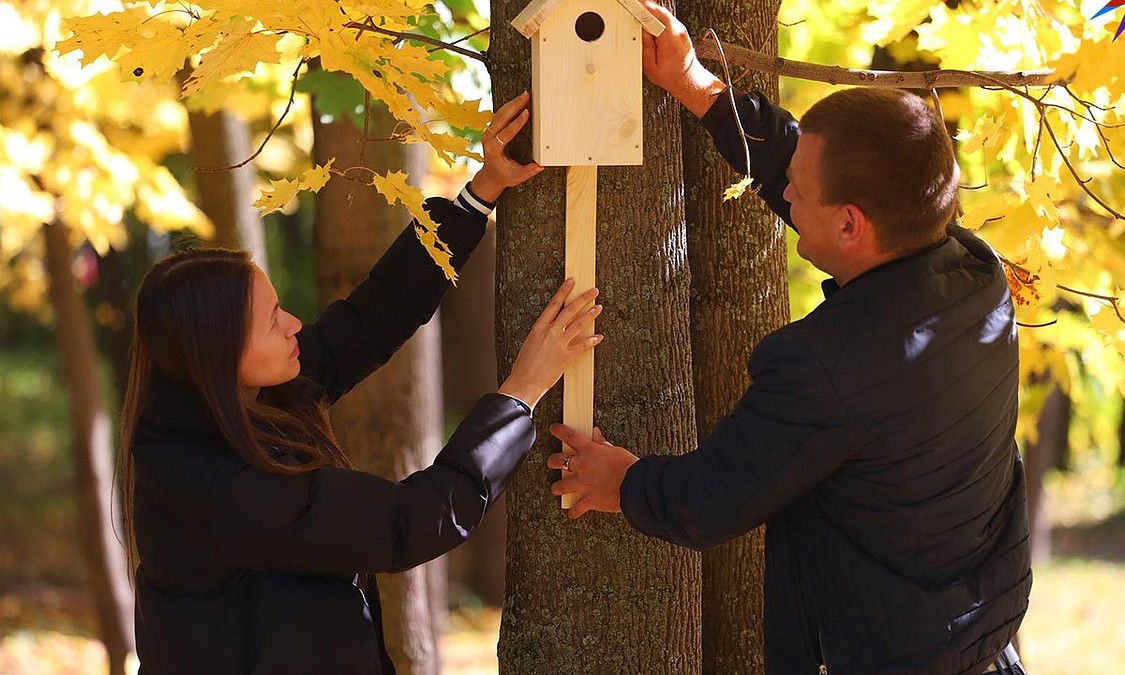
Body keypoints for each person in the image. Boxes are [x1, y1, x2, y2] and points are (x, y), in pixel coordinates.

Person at [546, 4, 1032, 674]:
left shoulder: (824, 367)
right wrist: (695, 84)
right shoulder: (975, 274)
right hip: (981, 643)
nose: (784, 198)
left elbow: (711, 497)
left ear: (852, 225)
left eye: (798, 196)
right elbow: (800, 163)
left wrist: (621, 481)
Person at [121, 92, 603, 675]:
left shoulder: (231, 404)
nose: (294, 324)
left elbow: (368, 321)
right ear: (219, 356)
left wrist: (480, 193)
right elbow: (410, 522)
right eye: (274, 322)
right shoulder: (222, 487)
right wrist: (520, 393)